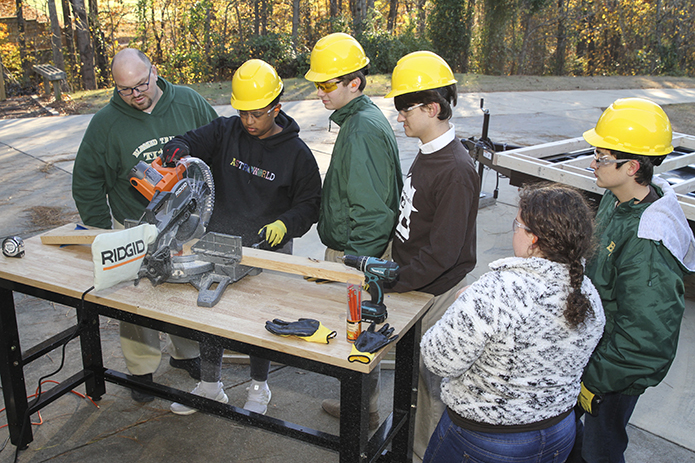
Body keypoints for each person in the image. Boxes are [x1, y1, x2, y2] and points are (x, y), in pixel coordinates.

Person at [161, 59, 322, 416]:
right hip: (217, 239)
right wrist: (176, 150)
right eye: (243, 112)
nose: (249, 121)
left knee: (261, 320)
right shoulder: (225, 131)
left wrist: (286, 224)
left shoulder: (297, 155)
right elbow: (187, 141)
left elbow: (310, 204)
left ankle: (259, 386)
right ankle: (209, 384)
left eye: (258, 114)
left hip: (267, 247)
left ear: (276, 107)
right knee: (209, 312)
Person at [420, 183, 606, 463]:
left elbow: (438, 359)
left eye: (517, 224)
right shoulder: (587, 293)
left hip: (485, 439)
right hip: (559, 432)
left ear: (533, 238)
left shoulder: (498, 290)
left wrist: (462, 306)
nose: (513, 231)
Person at [72, 48, 218, 402]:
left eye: (141, 84)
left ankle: (187, 354)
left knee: (183, 288)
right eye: (125, 90)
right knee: (134, 299)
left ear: (154, 70)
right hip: (133, 225)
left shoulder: (189, 102)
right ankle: (142, 370)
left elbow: (218, 144)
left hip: (186, 223)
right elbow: (87, 180)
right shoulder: (106, 123)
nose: (136, 95)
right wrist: (99, 231)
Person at [568, 97, 695, 463]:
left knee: (599, 451)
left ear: (632, 166)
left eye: (602, 157)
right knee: (575, 445)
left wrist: (593, 381)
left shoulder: (648, 243)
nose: (593, 163)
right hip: (595, 355)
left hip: (612, 374)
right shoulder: (617, 198)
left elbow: (645, 341)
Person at [382, 50, 480, 458]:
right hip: (413, 280)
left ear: (432, 108)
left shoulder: (456, 170)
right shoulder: (427, 154)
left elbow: (442, 253)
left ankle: (423, 452)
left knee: (430, 380)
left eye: (405, 109)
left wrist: (391, 279)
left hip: (433, 290)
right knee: (411, 376)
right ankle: (406, 438)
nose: (400, 117)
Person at [304, 32, 403, 429]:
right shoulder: (359, 119)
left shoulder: (361, 128)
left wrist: (355, 266)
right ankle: (360, 406)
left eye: (327, 84)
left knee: (356, 335)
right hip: (355, 248)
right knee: (358, 335)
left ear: (354, 83)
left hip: (357, 253)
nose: (319, 92)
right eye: (318, 83)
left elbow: (373, 212)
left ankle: (361, 414)